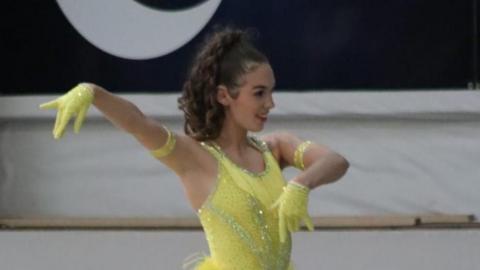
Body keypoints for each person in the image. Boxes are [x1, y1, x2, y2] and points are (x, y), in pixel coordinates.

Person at [39, 26, 349, 270]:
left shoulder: (275, 148)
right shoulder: (195, 158)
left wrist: (301, 184)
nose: (270, 103)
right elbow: (138, 122)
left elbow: (336, 161)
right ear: (225, 95)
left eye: (270, 92)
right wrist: (93, 93)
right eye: (259, 93)